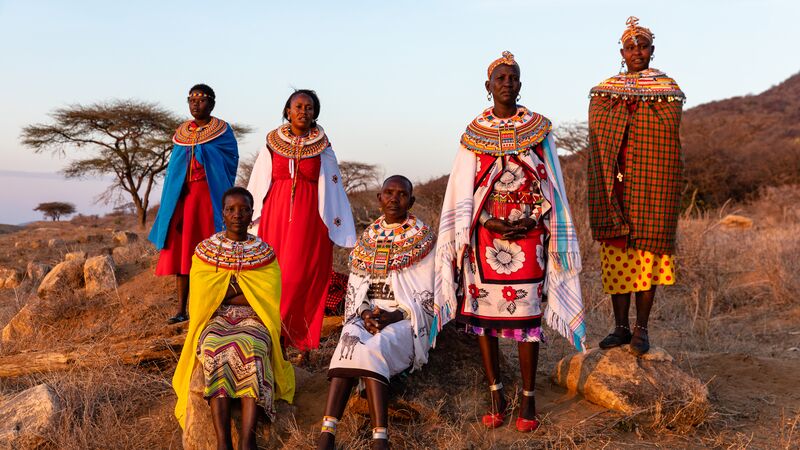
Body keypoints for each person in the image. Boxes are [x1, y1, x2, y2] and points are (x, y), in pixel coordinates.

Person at [434, 51, 586, 433]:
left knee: (527, 317)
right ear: (488, 87)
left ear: (520, 83)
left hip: (531, 233)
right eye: (500, 78)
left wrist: (533, 217)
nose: (506, 83)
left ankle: (530, 397)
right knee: (485, 320)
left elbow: (551, 181)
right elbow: (462, 190)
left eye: (513, 77)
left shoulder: (539, 129)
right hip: (485, 236)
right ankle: (497, 393)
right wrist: (489, 221)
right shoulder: (474, 133)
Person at [587, 17, 685, 356]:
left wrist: (632, 112)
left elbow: (665, 130)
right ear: (622, 53)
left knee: (647, 258)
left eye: (642, 46)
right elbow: (600, 125)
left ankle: (642, 329)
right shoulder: (605, 90)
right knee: (617, 259)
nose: (637, 52)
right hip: (615, 185)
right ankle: (620, 327)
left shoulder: (667, 89)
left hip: (652, 183)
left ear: (652, 50)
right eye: (631, 47)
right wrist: (628, 111)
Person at [316, 176, 435, 450]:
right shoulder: (368, 237)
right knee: (349, 338)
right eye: (389, 193)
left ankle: (380, 437)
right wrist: (365, 311)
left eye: (402, 194)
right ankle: (328, 432)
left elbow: (427, 294)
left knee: (376, 346)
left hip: (405, 317)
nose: (394, 199)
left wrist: (395, 315)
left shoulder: (423, 238)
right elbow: (357, 285)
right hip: (369, 313)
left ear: (411, 201)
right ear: (379, 198)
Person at [172, 187, 295, 450]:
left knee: (252, 349)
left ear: (252, 214)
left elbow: (265, 298)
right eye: (231, 209)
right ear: (223, 213)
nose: (237, 214)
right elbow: (205, 296)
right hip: (216, 319)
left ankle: (248, 440)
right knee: (215, 350)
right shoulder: (205, 251)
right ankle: (223, 441)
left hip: (255, 318)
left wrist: (228, 290)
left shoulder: (264, 252)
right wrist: (244, 289)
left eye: (244, 209)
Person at [247, 89, 356, 351]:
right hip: (276, 213)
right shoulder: (272, 142)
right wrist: (251, 217)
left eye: (309, 108)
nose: (303, 112)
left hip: (311, 218)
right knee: (276, 276)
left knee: (304, 277)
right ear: (287, 111)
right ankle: (275, 338)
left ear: (315, 113)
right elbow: (260, 179)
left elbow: (333, 186)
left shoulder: (323, 147)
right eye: (298, 106)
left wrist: (337, 224)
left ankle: (302, 342)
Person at [149, 84, 239, 324]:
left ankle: (212, 307)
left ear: (212, 104)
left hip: (209, 199)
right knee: (183, 255)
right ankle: (181, 310)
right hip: (184, 200)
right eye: (192, 100)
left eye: (201, 100)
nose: (196, 104)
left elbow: (230, 162)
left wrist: (203, 154)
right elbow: (173, 172)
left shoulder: (222, 132)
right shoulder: (182, 133)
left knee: (211, 255)